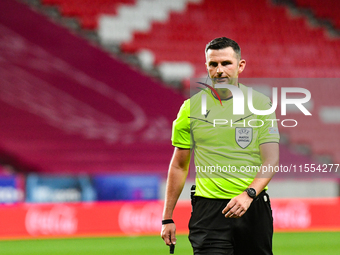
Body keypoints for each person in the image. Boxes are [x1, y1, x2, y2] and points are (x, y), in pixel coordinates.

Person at [161, 37, 280, 255]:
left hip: (252, 206)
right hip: (208, 211)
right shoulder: (190, 108)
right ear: (206, 66)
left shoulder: (261, 104)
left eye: (226, 63)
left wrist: (249, 194)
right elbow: (179, 165)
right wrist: (167, 217)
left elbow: (271, 159)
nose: (219, 71)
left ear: (240, 65)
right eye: (213, 64)